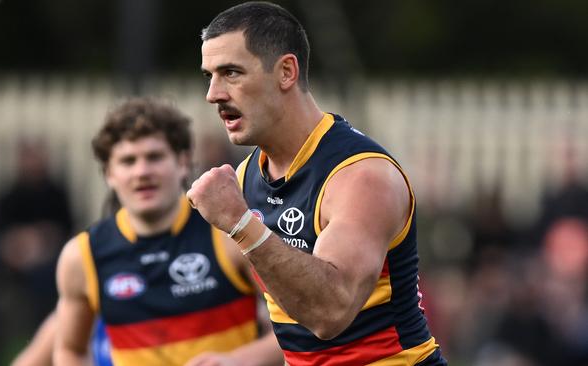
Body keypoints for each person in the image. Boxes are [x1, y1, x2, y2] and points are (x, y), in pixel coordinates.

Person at [187, 2, 446, 365]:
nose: (213, 94)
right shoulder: (245, 178)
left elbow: (330, 313)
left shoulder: (361, 175)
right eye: (209, 76)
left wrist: (242, 225)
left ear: (286, 72)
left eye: (231, 73)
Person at [49, 97, 282, 366]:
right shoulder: (83, 255)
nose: (142, 171)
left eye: (154, 157)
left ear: (183, 162)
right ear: (109, 174)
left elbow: (299, 325)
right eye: (128, 161)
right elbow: (70, 350)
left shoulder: (225, 233)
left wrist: (235, 361)